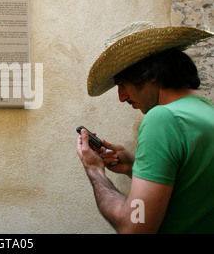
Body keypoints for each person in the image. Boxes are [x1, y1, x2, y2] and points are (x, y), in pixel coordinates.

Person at [76, 22, 214, 233]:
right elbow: (190, 192)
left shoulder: (163, 119)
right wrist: (134, 166)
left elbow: (135, 225)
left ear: (151, 74)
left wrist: (95, 171)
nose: (121, 97)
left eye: (122, 84)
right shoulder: (206, 111)